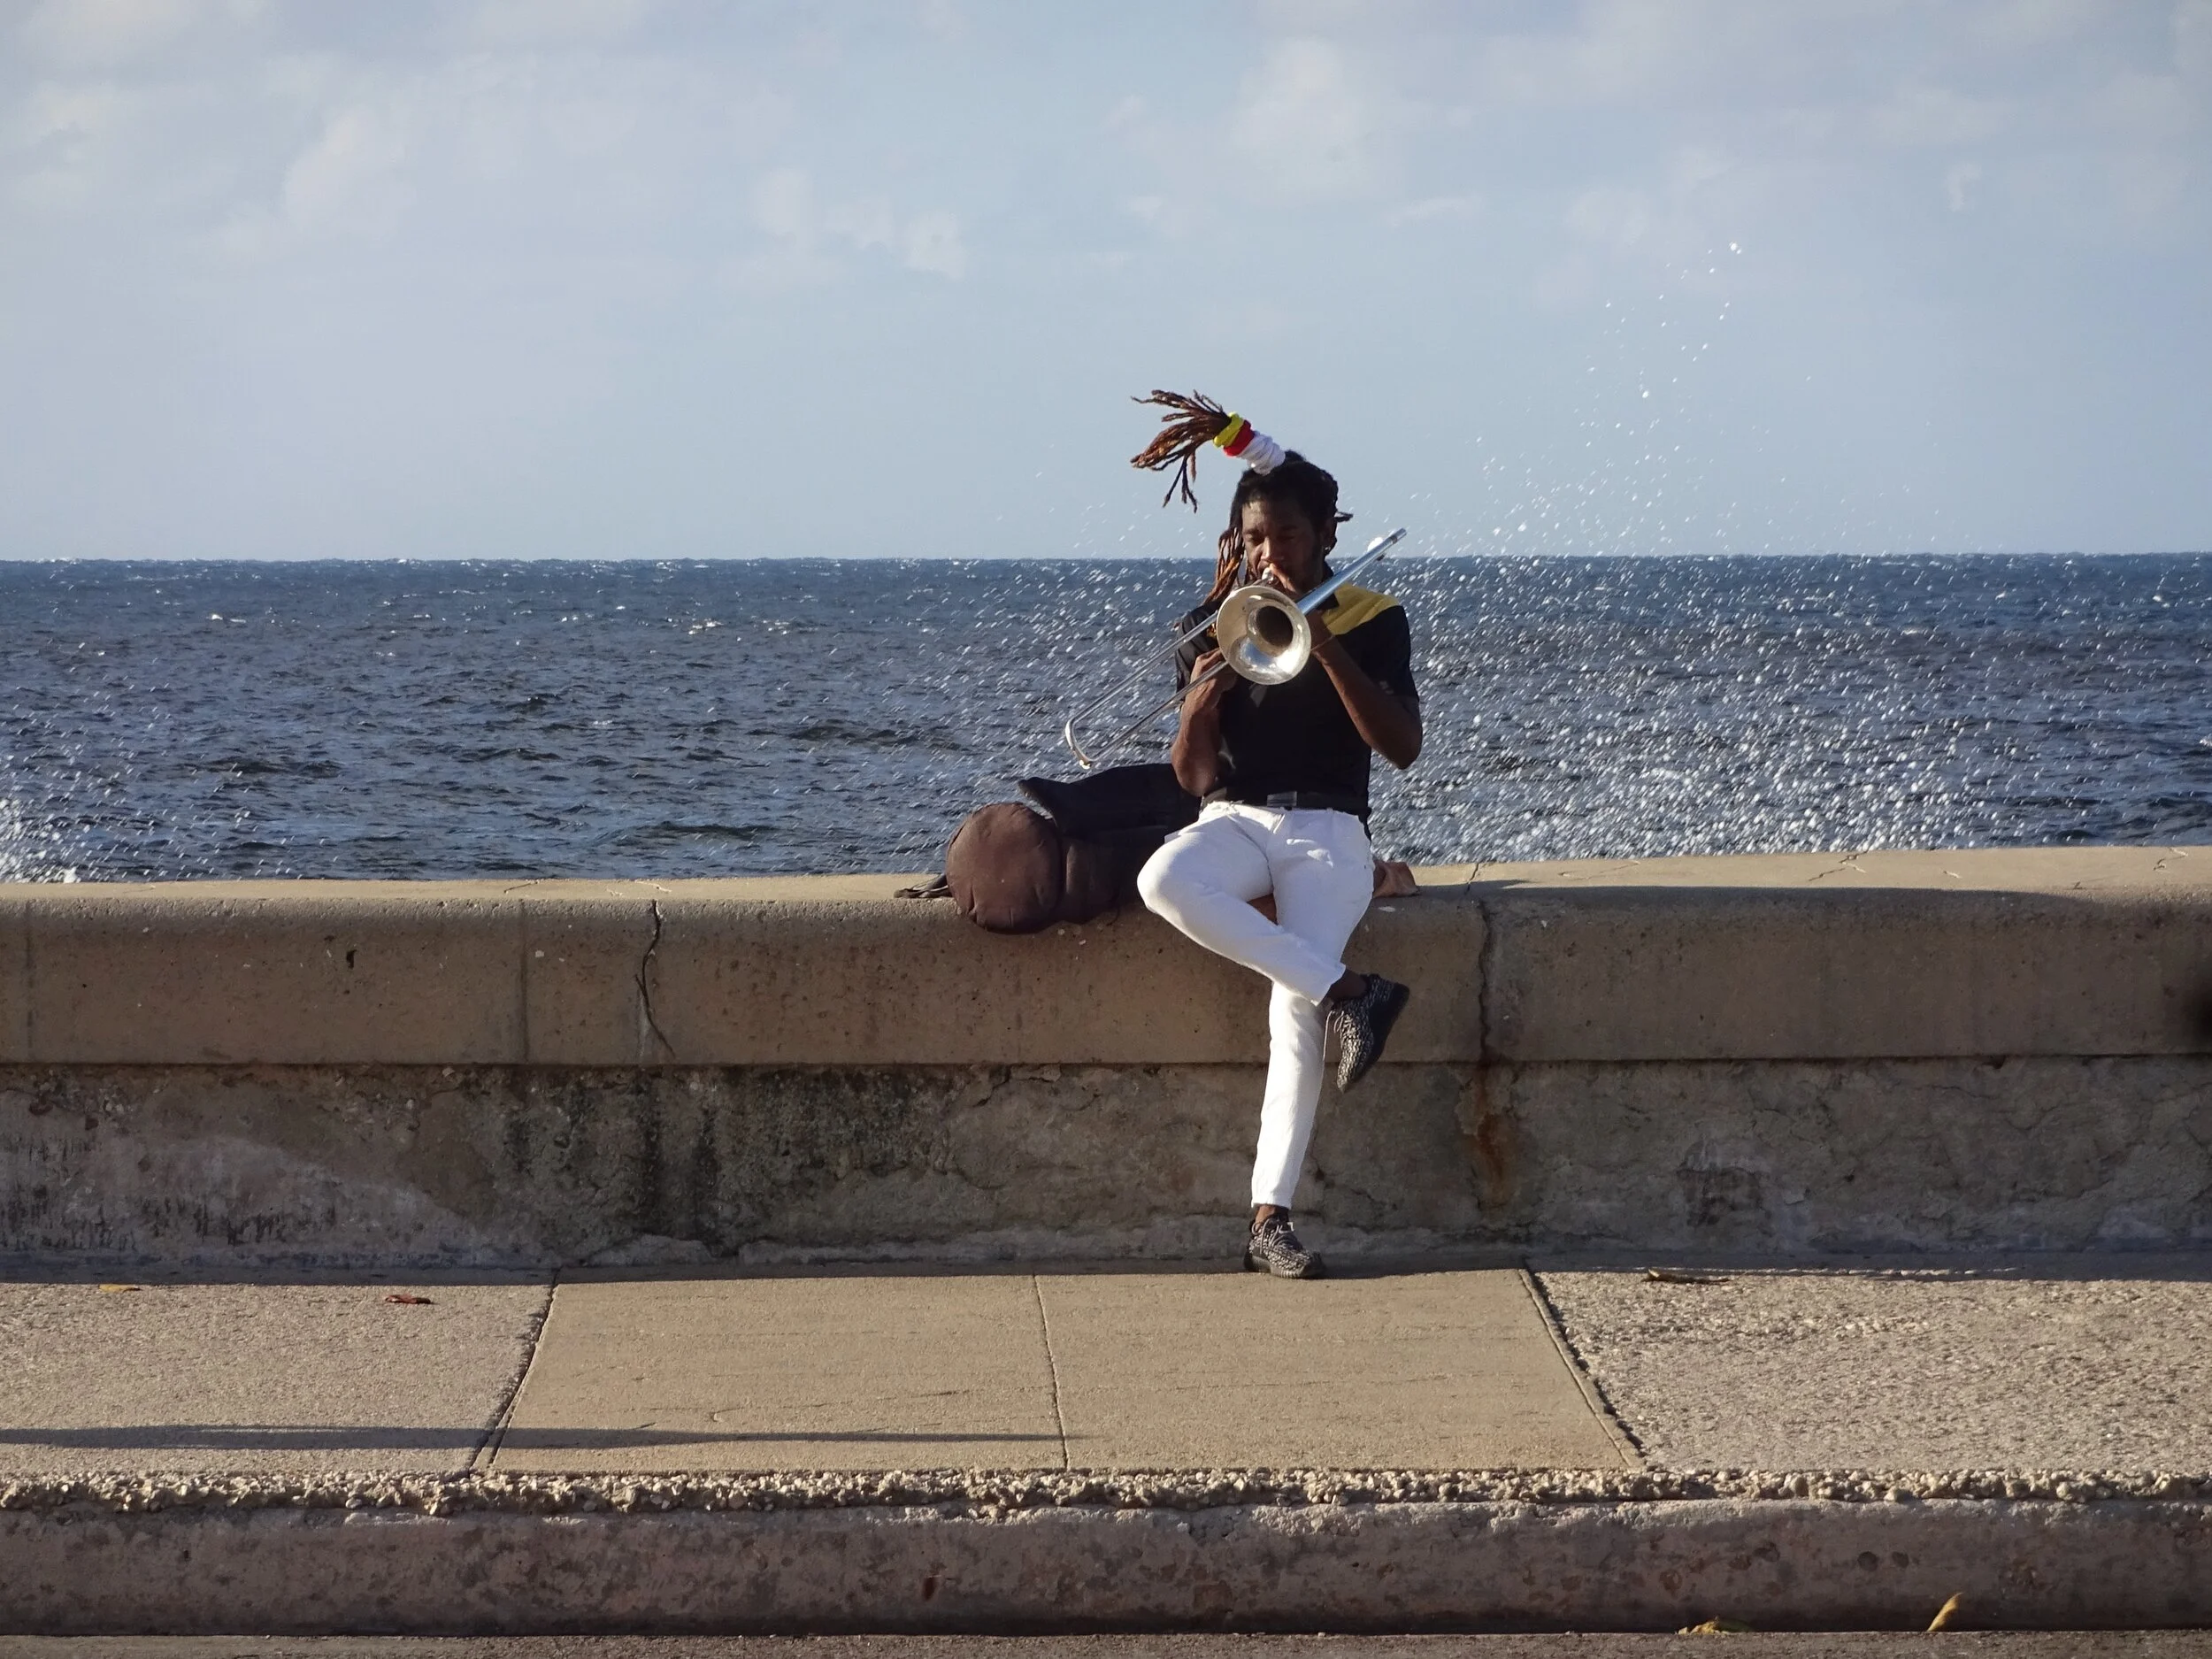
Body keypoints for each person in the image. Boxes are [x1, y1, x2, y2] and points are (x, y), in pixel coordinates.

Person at [1127, 392, 1422, 1280]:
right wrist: (1200, 699)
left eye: (1285, 540)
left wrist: (1323, 642)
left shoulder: (1371, 618)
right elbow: (1189, 779)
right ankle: (1355, 990)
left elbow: (1400, 747)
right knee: (1161, 880)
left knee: (1290, 1012)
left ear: (1325, 535)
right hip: (1236, 820)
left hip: (1330, 825)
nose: (1268, 556)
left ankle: (1268, 1218)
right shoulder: (1212, 622)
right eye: (1254, 540)